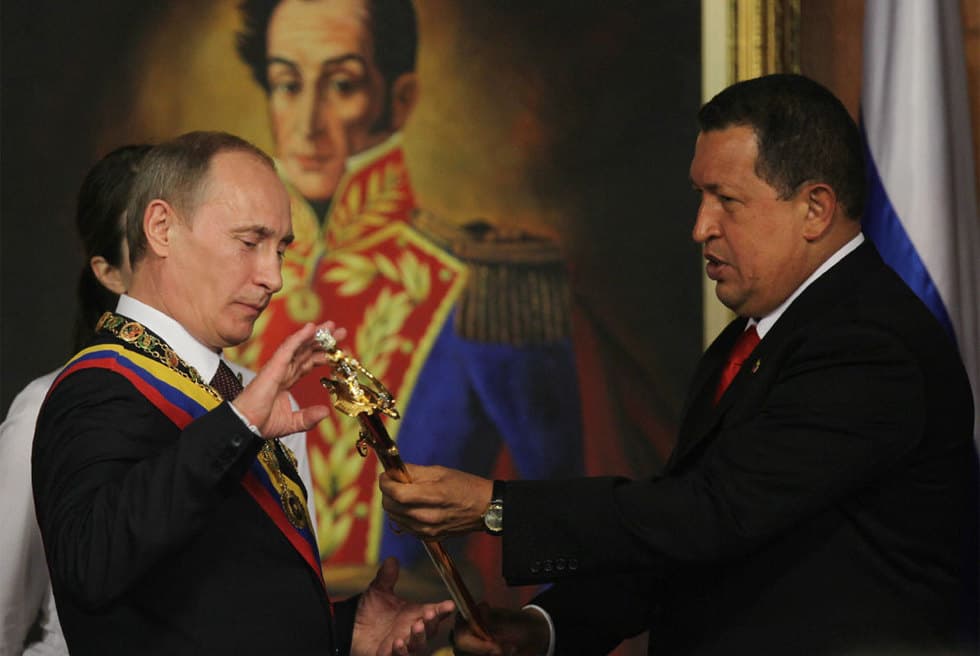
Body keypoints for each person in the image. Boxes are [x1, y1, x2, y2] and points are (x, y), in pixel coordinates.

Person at [379, 74, 980, 655]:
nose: (700, 228)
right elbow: (680, 537)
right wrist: (548, 628)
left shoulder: (869, 343)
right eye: (700, 196)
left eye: (727, 200)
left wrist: (497, 506)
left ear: (815, 210)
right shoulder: (749, 341)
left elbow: (713, 514)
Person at [31, 131, 453, 655]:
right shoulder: (100, 385)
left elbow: (218, 607)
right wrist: (237, 425)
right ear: (161, 228)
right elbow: (92, 566)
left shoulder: (220, 385)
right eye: (250, 243)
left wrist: (343, 631)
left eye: (280, 249)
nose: (273, 277)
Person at [231, 0, 586, 583]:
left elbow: (566, 523)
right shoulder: (230, 284)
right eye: (287, 85)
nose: (308, 121)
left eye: (342, 84)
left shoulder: (486, 282)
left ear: (400, 99)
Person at [0, 144, 151, 655]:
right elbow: (4, 612)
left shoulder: (258, 397)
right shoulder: (48, 405)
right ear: (108, 272)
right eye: (149, 238)